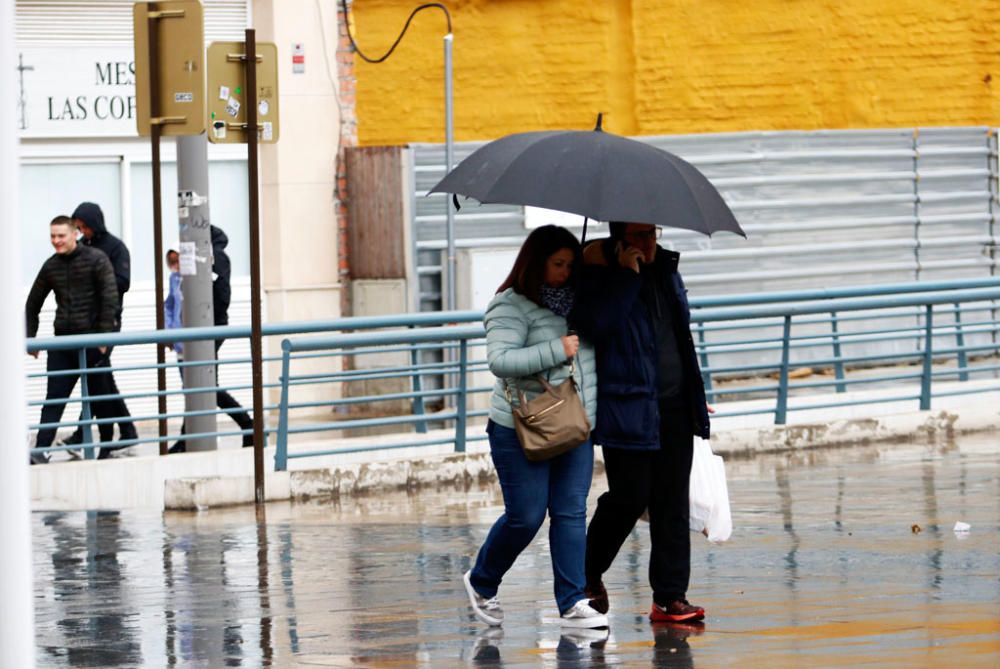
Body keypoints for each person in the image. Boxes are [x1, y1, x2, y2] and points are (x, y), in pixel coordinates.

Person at [463, 225, 606, 629]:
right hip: (520, 427)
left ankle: (572, 602)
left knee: (570, 513)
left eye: (570, 264)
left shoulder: (581, 305)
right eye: (557, 263)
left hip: (574, 424)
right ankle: (481, 581)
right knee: (526, 516)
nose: (565, 272)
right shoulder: (510, 305)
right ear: (535, 262)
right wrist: (555, 350)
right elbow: (500, 361)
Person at [570, 222, 711, 624]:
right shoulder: (597, 277)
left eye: (651, 233)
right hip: (628, 406)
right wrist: (625, 279)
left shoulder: (667, 269)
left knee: (672, 503)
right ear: (619, 238)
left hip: (675, 405)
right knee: (629, 497)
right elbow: (597, 328)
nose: (647, 242)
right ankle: (586, 573)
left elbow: (680, 337)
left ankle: (669, 598)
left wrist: (694, 394)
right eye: (637, 235)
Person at [25, 216, 119, 464]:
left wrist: (103, 339)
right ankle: (41, 450)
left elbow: (110, 299)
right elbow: (32, 303)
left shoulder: (97, 260)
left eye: (61, 236)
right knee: (54, 399)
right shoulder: (50, 266)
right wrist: (30, 337)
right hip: (62, 343)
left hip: (92, 343)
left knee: (99, 398)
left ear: (75, 234)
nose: (56, 241)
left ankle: (107, 448)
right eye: (52, 236)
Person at [168, 227, 254, 452]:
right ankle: (187, 437)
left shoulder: (217, 258)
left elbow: (222, 293)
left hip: (210, 326)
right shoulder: (184, 267)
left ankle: (249, 425)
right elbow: (172, 302)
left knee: (203, 384)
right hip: (190, 331)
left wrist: (209, 318)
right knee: (195, 384)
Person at [60, 202, 138, 451]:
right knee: (101, 376)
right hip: (85, 322)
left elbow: (123, 281)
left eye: (83, 226)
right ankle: (126, 430)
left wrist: (97, 279)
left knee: (98, 375)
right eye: (78, 228)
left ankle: (85, 434)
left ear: (93, 223)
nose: (82, 231)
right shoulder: (82, 247)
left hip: (108, 321)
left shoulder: (116, 248)